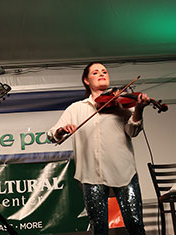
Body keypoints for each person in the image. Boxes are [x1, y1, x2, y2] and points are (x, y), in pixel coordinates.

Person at [47, 62, 149, 235]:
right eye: (95, 72)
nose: (102, 74)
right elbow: (51, 135)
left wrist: (138, 109)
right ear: (86, 80)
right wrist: (61, 130)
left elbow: (133, 130)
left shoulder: (122, 105)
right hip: (91, 174)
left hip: (123, 171)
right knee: (98, 227)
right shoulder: (76, 108)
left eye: (104, 71)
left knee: (135, 224)